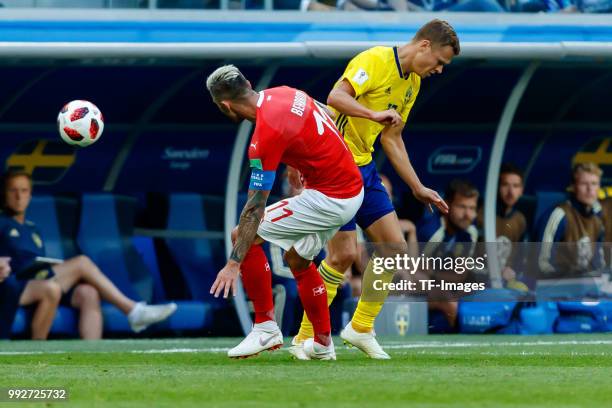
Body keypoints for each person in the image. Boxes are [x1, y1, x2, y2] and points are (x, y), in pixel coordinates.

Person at [291, 19, 458, 360]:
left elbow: (392, 138)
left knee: (394, 248)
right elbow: (335, 97)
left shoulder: (411, 84)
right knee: (343, 255)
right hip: (333, 165)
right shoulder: (375, 60)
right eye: (440, 61)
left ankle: (360, 328)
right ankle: (303, 337)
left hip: (365, 168)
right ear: (424, 45)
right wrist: (372, 112)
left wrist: (417, 187)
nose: (439, 70)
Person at [206, 65, 364, 360]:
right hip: (352, 187)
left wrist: (233, 264)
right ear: (249, 84)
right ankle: (322, 345)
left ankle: (265, 328)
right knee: (297, 259)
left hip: (331, 197)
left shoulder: (264, 138)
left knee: (243, 234)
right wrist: (297, 160)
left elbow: (254, 209)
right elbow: (325, 114)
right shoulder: (285, 92)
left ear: (225, 105)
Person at [0, 170, 177, 340]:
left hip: (38, 280)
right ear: (4, 193)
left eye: (24, 190)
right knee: (81, 264)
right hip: (12, 285)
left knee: (88, 292)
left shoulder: (33, 229)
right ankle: (133, 311)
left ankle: (92, 356)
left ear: (30, 194)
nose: (19, 196)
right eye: (13, 190)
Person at [418, 179, 480, 329]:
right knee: (449, 301)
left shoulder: (470, 233)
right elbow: (415, 270)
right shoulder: (431, 232)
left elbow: (461, 274)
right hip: (413, 287)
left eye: (472, 208)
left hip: (443, 285)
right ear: (445, 205)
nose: (467, 214)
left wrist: (435, 274)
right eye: (462, 207)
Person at [537, 162, 605, 278]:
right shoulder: (559, 214)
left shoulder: (597, 219)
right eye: (584, 183)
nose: (590, 189)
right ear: (573, 186)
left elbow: (599, 265)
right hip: (558, 289)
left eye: (594, 184)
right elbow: (541, 263)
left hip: (586, 289)